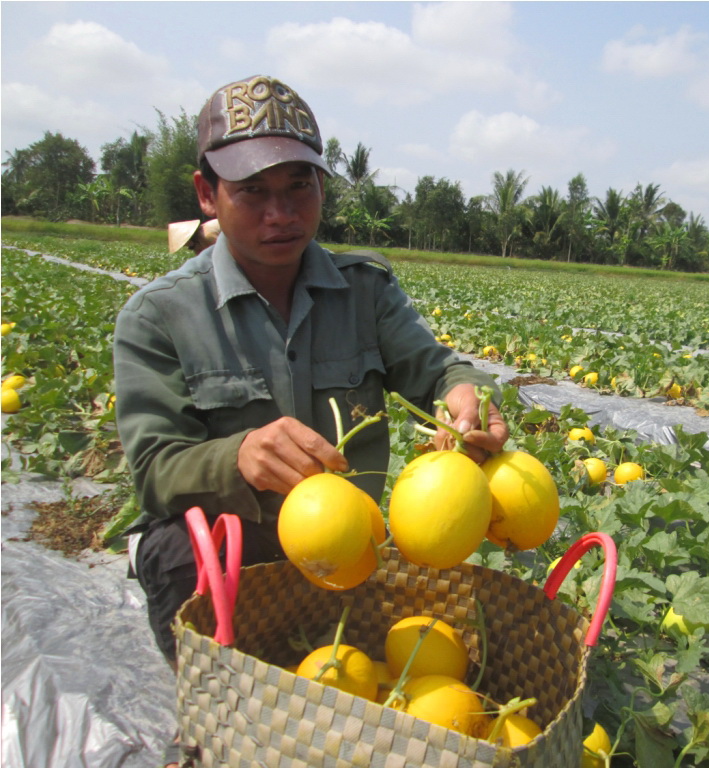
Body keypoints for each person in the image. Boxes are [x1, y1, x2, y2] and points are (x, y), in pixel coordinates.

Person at [113, 75, 508, 763]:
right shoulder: (158, 317)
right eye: (253, 191)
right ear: (207, 195)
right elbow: (153, 472)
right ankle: (209, 709)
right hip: (235, 565)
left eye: (299, 186)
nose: (280, 213)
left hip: (348, 557)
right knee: (175, 546)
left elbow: (440, 371)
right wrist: (235, 457)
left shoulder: (366, 290)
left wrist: (465, 394)